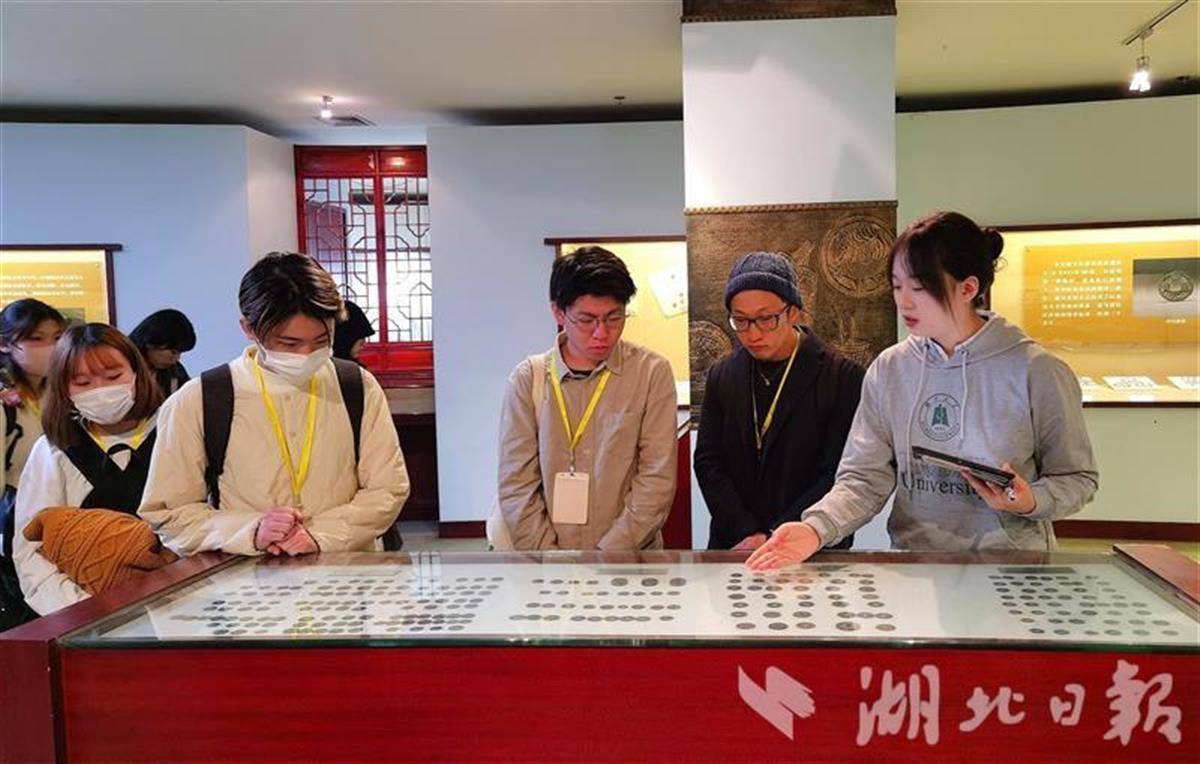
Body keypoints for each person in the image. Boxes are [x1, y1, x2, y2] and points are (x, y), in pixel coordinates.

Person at [747, 211, 1099, 570]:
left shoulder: (1036, 370)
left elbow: (1077, 478)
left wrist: (1029, 500)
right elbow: (864, 478)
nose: (904, 301)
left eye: (919, 288)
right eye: (897, 286)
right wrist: (815, 528)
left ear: (968, 288)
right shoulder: (890, 368)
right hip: (916, 564)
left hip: (1011, 568)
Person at [139, 252, 410, 557]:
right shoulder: (200, 398)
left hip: (347, 572)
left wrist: (321, 534)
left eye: (321, 341)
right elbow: (170, 513)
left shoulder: (356, 386)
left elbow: (387, 489)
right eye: (289, 343)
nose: (306, 354)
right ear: (249, 328)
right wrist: (250, 530)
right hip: (246, 575)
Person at [496, 245, 677, 551]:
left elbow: (656, 480)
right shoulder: (528, 379)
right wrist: (551, 561)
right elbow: (517, 482)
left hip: (628, 560)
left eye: (614, 318)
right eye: (587, 320)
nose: (601, 333)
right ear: (558, 312)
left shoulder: (651, 373)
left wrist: (606, 556)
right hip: (547, 564)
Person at [694, 252, 864, 551]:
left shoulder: (842, 376)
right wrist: (745, 530)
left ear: (793, 312)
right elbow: (709, 461)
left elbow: (839, 472)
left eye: (766, 319)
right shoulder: (723, 375)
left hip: (810, 544)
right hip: (737, 544)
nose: (753, 333)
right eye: (740, 321)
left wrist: (779, 535)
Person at [14, 324, 164, 615]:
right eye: (82, 382)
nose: (101, 390)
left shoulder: (174, 430)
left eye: (113, 376)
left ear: (137, 371)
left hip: (176, 597)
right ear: (64, 388)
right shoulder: (54, 450)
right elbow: (31, 548)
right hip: (85, 611)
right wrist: (87, 611)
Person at [0, 299, 67, 627]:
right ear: (5, 344)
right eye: (36, 338)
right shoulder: (5, 400)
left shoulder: (60, 392)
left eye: (57, 337)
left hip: (58, 517)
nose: (50, 347)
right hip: (15, 520)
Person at [128, 308, 196, 398]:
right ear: (151, 343)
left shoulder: (175, 372)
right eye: (173, 352)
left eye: (180, 353)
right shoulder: (122, 367)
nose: (175, 360)